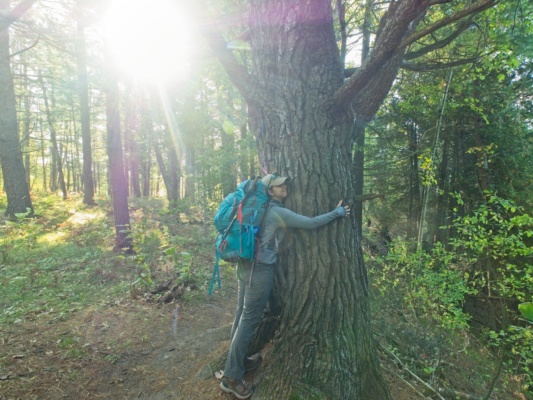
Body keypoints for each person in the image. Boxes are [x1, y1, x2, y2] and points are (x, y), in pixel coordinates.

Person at [220, 174, 350, 399]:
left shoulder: (258, 209)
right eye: (280, 185)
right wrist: (337, 213)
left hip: (244, 265)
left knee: (242, 315)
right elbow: (310, 223)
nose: (286, 186)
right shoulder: (276, 212)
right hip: (259, 272)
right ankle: (232, 377)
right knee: (249, 320)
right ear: (270, 191)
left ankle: (237, 363)